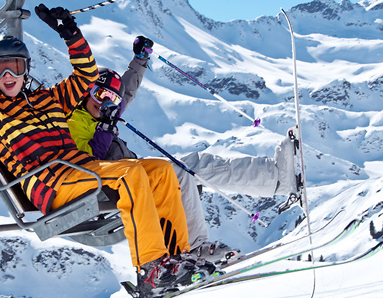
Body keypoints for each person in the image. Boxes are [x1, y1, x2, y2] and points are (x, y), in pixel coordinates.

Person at [0, 5, 214, 298]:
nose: (8, 75)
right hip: (49, 183)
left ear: (26, 69)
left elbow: (86, 75)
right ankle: (150, 270)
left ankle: (177, 260)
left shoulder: (52, 99)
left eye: (15, 67)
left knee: (160, 171)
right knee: (130, 173)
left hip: (82, 169)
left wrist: (70, 33)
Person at [66, 37, 299, 264]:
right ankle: (195, 248)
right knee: (185, 171)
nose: (105, 102)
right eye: (99, 94)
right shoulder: (74, 120)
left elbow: (127, 91)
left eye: (111, 99)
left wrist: (140, 60)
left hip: (132, 173)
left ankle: (277, 178)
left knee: (198, 164)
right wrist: (106, 128)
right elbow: (88, 163)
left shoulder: (104, 112)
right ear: (87, 91)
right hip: (115, 185)